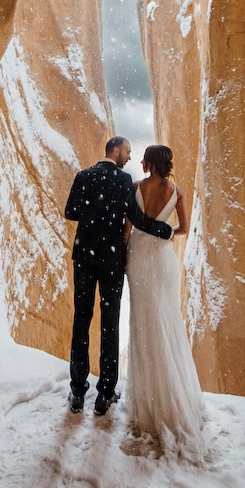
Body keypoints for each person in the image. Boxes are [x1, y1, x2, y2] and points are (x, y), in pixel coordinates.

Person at [65, 136, 173, 416]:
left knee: (81, 320)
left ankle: (77, 392)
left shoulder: (84, 175)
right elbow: (135, 217)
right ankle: (105, 393)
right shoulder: (124, 180)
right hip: (111, 260)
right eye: (126, 152)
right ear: (114, 150)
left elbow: (71, 212)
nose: (128, 157)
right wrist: (163, 231)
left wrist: (93, 215)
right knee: (109, 323)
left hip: (84, 257)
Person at [125, 144, 206, 461]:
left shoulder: (135, 188)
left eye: (144, 158)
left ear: (149, 162)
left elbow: (127, 229)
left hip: (139, 258)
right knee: (167, 319)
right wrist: (165, 231)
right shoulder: (178, 192)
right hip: (161, 259)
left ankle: (149, 402)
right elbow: (183, 229)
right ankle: (175, 397)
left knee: (143, 322)